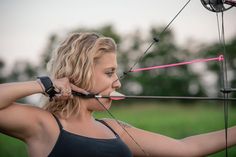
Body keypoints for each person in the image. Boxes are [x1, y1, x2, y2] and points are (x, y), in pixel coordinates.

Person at [0, 32, 235, 157]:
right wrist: (45, 84)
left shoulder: (115, 129)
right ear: (79, 73)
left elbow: (186, 149)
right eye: (109, 72)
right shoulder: (44, 125)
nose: (118, 82)